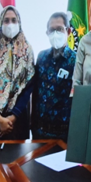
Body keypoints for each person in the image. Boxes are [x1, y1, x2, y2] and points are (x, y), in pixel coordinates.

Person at [0, 5, 35, 140]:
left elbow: (28, 87)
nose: (10, 24)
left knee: (17, 159)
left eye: (14, 20)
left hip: (18, 118)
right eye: (6, 20)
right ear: (0, 23)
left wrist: (13, 117)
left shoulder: (27, 50)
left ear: (19, 23)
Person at [32, 12, 76, 141]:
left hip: (64, 135)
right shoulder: (41, 57)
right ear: (47, 33)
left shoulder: (76, 60)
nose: (55, 33)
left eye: (59, 29)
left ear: (68, 31)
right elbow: (35, 94)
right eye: (52, 30)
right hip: (40, 131)